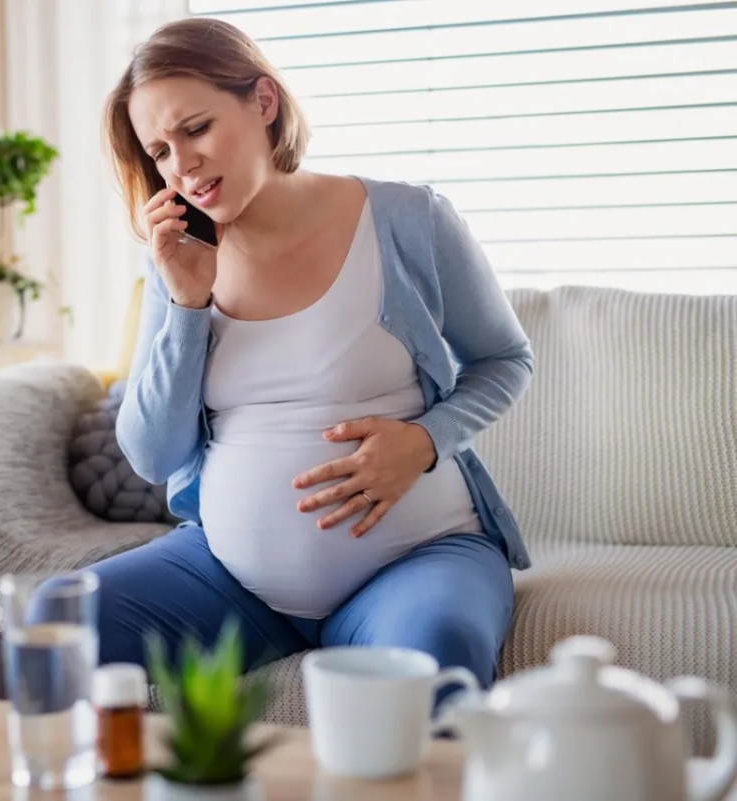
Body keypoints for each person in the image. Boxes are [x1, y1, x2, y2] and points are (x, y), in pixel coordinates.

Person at [91, 16, 534, 692]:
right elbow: (152, 455)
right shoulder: (176, 262)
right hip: (231, 580)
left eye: (196, 129)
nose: (182, 166)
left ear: (263, 103)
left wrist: (424, 439)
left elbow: (506, 359)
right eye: (159, 151)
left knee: (435, 655)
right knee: (57, 621)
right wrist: (186, 302)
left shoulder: (409, 219)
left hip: (419, 555)